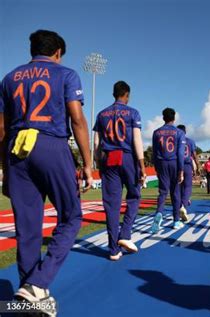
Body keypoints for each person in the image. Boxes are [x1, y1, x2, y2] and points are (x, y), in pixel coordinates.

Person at [0, 30, 92, 312]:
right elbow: (76, 119)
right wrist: (88, 163)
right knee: (72, 215)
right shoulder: (66, 74)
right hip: (50, 144)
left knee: (27, 228)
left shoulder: (9, 78)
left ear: (32, 50)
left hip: (17, 148)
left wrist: (3, 168)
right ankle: (38, 284)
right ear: (58, 52)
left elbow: (1, 129)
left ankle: (30, 298)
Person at [93, 81, 146, 260]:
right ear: (127, 95)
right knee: (134, 195)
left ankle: (113, 249)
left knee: (111, 204)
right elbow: (137, 140)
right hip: (127, 156)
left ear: (113, 93)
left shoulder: (101, 114)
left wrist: (98, 164)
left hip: (109, 157)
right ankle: (125, 234)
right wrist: (142, 165)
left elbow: (96, 144)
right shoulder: (133, 112)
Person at [150, 108, 185, 233]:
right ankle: (176, 220)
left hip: (161, 162)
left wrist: (156, 166)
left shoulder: (156, 132)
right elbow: (181, 153)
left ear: (163, 118)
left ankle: (159, 213)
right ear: (174, 118)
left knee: (163, 192)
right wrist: (181, 170)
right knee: (175, 192)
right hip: (174, 162)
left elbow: (154, 152)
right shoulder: (179, 133)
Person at [177, 124, 198, 222]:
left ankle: (181, 204)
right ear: (185, 131)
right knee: (188, 187)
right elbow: (194, 155)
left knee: (179, 187)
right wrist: (197, 166)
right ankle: (183, 205)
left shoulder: (175, 140)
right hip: (187, 165)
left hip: (177, 165)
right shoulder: (190, 141)